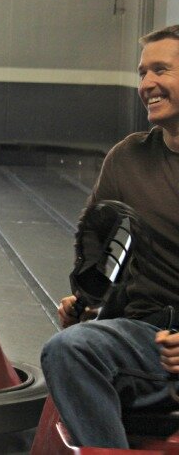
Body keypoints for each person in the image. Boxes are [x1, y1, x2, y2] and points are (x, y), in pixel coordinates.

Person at [40, 24, 179, 448]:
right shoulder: (128, 158)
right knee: (71, 345)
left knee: (72, 351)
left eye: (161, 70)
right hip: (143, 332)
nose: (147, 84)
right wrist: (88, 305)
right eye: (142, 73)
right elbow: (97, 250)